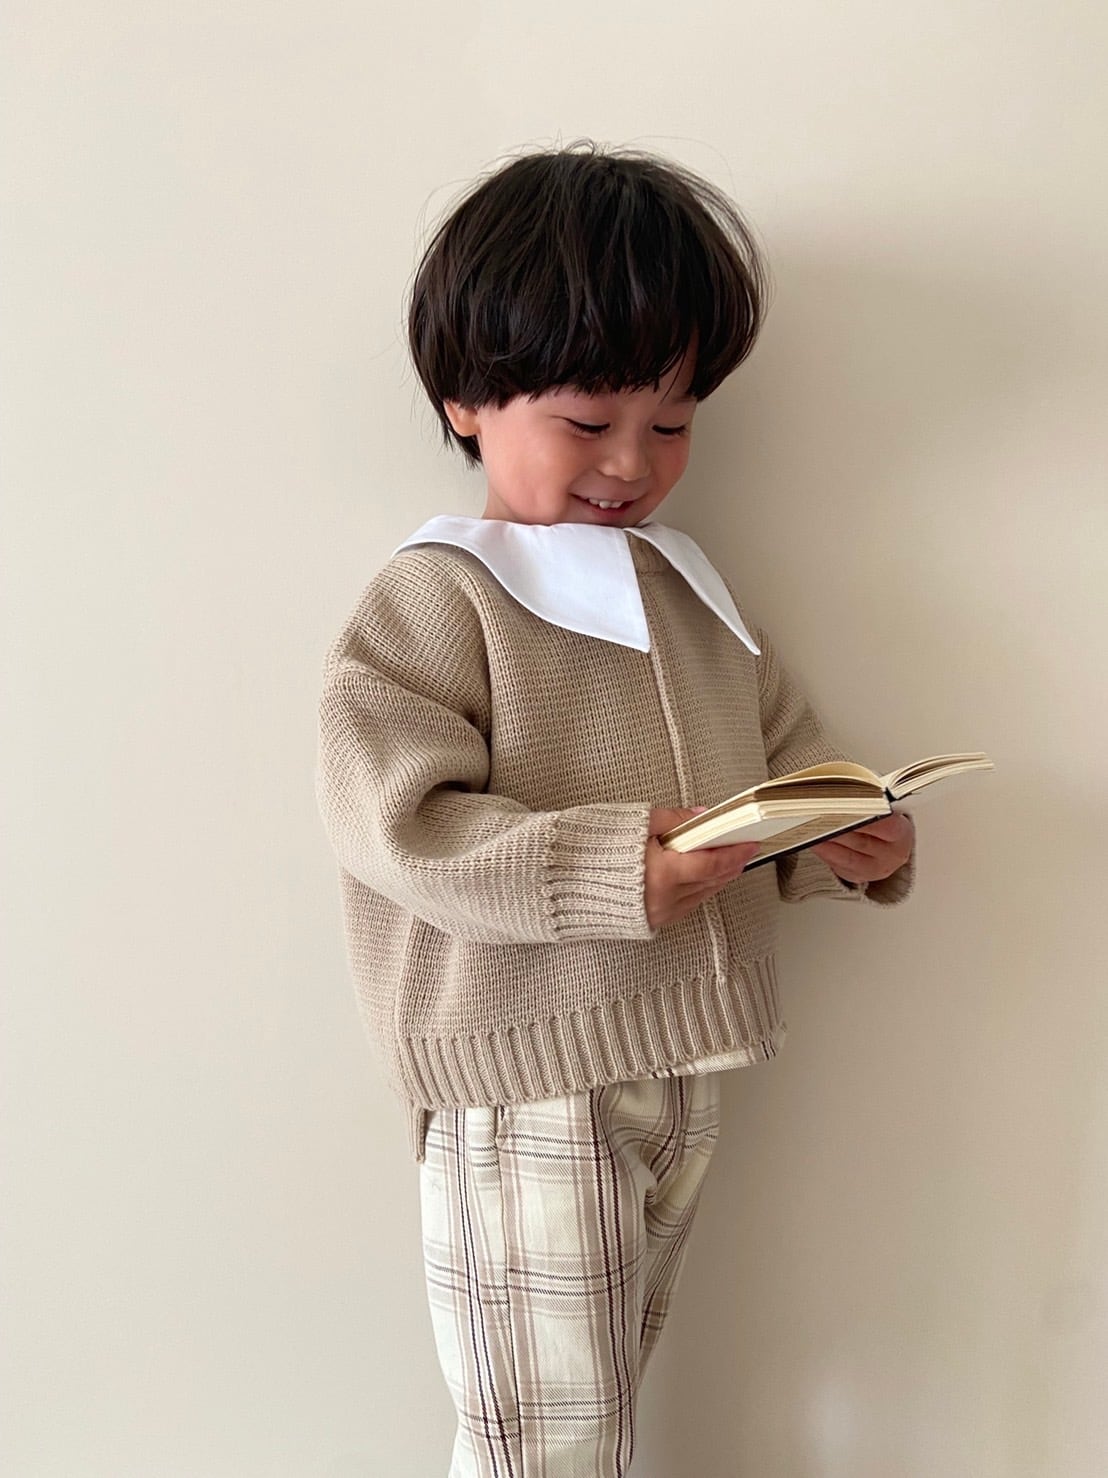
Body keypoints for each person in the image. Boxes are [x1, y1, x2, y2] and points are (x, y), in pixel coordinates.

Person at [315, 141, 915, 1478]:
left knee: (594, 1410)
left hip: (683, 1061)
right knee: (545, 1434)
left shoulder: (689, 590)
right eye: (588, 423)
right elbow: (395, 822)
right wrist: (602, 870)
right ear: (468, 401)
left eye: (674, 421)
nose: (632, 463)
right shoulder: (439, 594)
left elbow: (775, 762)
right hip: (528, 1072)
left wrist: (845, 839)